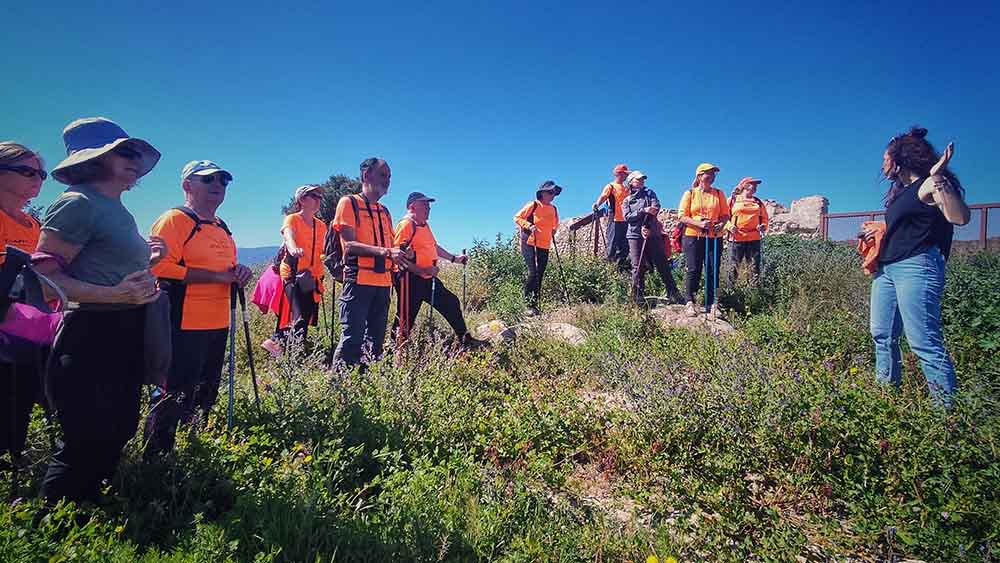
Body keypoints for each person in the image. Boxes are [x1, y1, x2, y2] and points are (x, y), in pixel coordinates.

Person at [33, 117, 166, 503]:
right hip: (90, 332)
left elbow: (104, 270)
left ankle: (93, 512)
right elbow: (45, 279)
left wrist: (149, 265)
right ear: (93, 159)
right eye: (123, 152)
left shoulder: (116, 209)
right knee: (84, 438)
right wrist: (114, 296)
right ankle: (56, 524)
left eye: (134, 153)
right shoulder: (76, 203)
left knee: (118, 426)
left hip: (126, 327)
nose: (134, 160)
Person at [142, 160, 253, 458]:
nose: (217, 185)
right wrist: (218, 278)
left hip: (218, 321)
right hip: (182, 320)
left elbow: (227, 268)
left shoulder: (221, 227)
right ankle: (156, 458)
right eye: (208, 179)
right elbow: (160, 268)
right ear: (187, 185)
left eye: (222, 180)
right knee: (175, 389)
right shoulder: (174, 220)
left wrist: (240, 272)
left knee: (206, 388)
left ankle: (194, 448)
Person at [862, 126, 970, 408]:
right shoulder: (901, 193)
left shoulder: (928, 184)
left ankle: (948, 417)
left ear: (900, 159)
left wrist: (938, 177)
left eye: (886, 159)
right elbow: (910, 226)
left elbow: (960, 217)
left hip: (916, 266)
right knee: (882, 335)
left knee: (923, 341)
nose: (883, 165)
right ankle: (886, 401)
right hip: (887, 269)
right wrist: (880, 229)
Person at [331, 158, 411, 369]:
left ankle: (366, 383)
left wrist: (402, 252)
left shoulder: (385, 212)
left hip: (383, 284)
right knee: (352, 340)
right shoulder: (348, 203)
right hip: (358, 282)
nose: (388, 180)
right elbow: (349, 245)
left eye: (389, 176)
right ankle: (338, 386)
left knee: (375, 343)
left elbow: (390, 245)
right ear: (366, 175)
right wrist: (387, 252)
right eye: (383, 175)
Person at [0, 141, 47, 470]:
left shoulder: (34, 225)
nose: (38, 179)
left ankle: (14, 455)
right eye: (28, 172)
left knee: (24, 390)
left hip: (29, 323)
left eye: (41, 174)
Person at [391, 192, 485, 349]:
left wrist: (454, 259)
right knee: (405, 317)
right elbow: (398, 257)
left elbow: (434, 247)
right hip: (409, 279)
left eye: (429, 206)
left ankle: (466, 341)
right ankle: (394, 351)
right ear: (412, 207)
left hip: (427, 277)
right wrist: (421, 270)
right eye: (424, 205)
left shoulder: (424, 225)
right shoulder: (406, 225)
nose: (428, 208)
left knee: (451, 302)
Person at [270, 184, 328, 354]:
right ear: (302, 200)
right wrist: (293, 248)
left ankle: (281, 346)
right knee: (298, 316)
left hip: (312, 277)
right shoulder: (292, 219)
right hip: (293, 273)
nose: (318, 200)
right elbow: (288, 236)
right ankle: (292, 354)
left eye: (320, 197)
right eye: (314, 196)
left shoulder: (321, 226)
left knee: (306, 317)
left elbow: (325, 248)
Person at [621, 170, 683, 306]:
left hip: (652, 233)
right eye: (638, 179)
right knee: (637, 266)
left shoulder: (650, 194)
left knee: (662, 263)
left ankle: (673, 293)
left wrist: (647, 225)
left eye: (643, 179)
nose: (642, 181)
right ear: (631, 182)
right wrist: (643, 211)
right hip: (634, 235)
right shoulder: (627, 200)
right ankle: (638, 297)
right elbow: (627, 217)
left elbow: (655, 208)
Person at [678, 163, 730, 318]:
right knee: (693, 269)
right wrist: (699, 223)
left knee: (713, 269)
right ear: (699, 176)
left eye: (713, 174)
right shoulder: (690, 193)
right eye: (708, 173)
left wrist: (721, 224)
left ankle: (712, 303)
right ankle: (690, 301)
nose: (712, 177)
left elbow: (725, 215)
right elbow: (682, 216)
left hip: (714, 236)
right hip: (693, 236)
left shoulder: (719, 193)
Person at [514, 181, 561, 316]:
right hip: (530, 242)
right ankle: (528, 305)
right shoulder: (533, 205)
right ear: (542, 193)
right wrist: (529, 226)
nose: (553, 195)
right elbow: (517, 217)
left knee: (540, 274)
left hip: (544, 244)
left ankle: (535, 305)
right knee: (533, 272)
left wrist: (554, 230)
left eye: (554, 193)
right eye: (550, 192)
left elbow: (556, 223)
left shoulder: (553, 209)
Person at [725, 177, 768, 282]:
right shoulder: (732, 200)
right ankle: (730, 289)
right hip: (736, 238)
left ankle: (754, 289)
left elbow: (765, 218)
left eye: (756, 185)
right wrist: (730, 226)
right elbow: (724, 217)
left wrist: (763, 226)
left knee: (754, 268)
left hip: (754, 238)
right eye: (752, 184)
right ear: (744, 185)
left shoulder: (758, 202)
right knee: (733, 267)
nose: (755, 186)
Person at [592, 164, 631, 270]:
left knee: (625, 246)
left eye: (626, 174)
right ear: (618, 174)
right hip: (614, 219)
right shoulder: (611, 186)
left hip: (626, 220)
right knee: (612, 244)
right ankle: (609, 269)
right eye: (624, 174)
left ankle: (620, 269)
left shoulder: (627, 188)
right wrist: (597, 204)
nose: (626, 176)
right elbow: (604, 196)